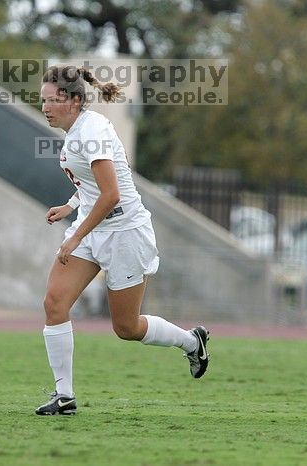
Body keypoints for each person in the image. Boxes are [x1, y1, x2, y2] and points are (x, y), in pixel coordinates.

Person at [35, 64, 210, 415]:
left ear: (71, 101)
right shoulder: (76, 132)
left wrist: (74, 238)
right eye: (42, 100)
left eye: (50, 100)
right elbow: (94, 182)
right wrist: (70, 206)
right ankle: (64, 396)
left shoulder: (92, 130)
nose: (44, 108)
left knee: (126, 327)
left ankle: (192, 342)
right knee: (54, 303)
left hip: (125, 234)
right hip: (91, 227)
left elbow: (112, 194)